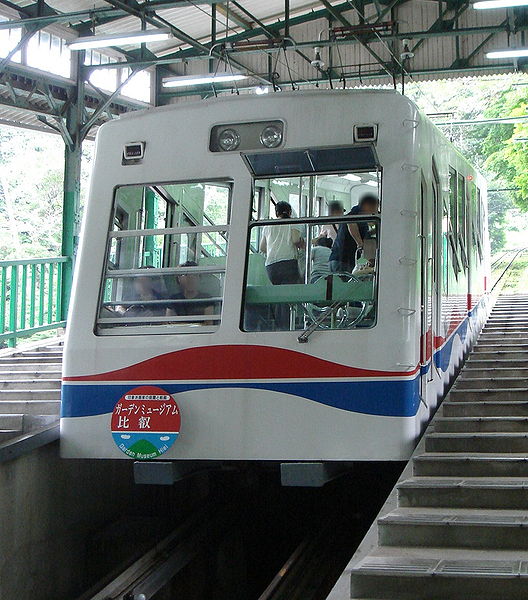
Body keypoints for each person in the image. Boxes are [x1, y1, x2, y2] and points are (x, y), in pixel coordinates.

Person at [329, 194, 378, 273]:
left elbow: (366, 235)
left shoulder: (363, 220)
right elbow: (351, 223)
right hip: (342, 260)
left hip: (342, 259)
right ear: (367, 205)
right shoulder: (358, 211)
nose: (375, 211)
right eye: (374, 208)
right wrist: (360, 244)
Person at [260, 201, 305, 285]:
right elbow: (295, 240)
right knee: (289, 293)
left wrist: (274, 250)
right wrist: (302, 243)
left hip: (271, 265)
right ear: (290, 212)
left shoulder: (267, 226)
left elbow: (262, 248)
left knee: (278, 292)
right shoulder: (293, 223)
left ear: (276, 213)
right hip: (288, 263)